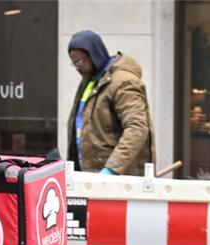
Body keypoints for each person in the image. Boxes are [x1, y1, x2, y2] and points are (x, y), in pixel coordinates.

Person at [66, 30, 155, 176]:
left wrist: (112, 169)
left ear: (93, 54)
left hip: (118, 180)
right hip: (89, 174)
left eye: (80, 62)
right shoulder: (88, 81)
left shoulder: (123, 82)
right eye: (74, 63)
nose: (77, 67)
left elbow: (136, 128)